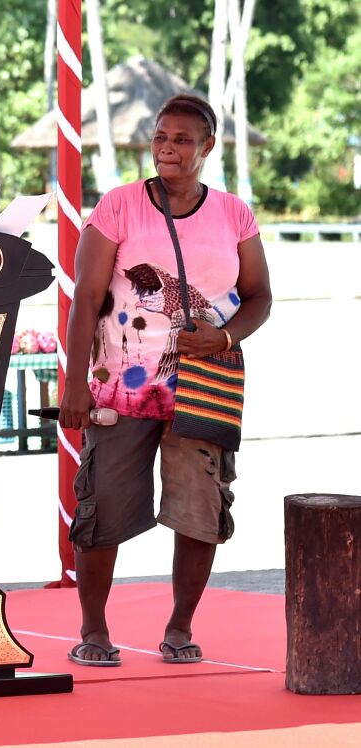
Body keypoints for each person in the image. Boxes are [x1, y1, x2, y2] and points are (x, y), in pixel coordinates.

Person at [58, 95, 272, 666]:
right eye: (160, 137)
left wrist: (224, 339)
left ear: (207, 147)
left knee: (201, 509)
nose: (167, 149)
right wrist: (74, 382)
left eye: (181, 140)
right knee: (101, 506)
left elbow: (259, 297)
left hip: (205, 387)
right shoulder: (120, 206)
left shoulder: (234, 213)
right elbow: (86, 299)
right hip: (124, 387)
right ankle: (94, 631)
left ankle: (179, 628)